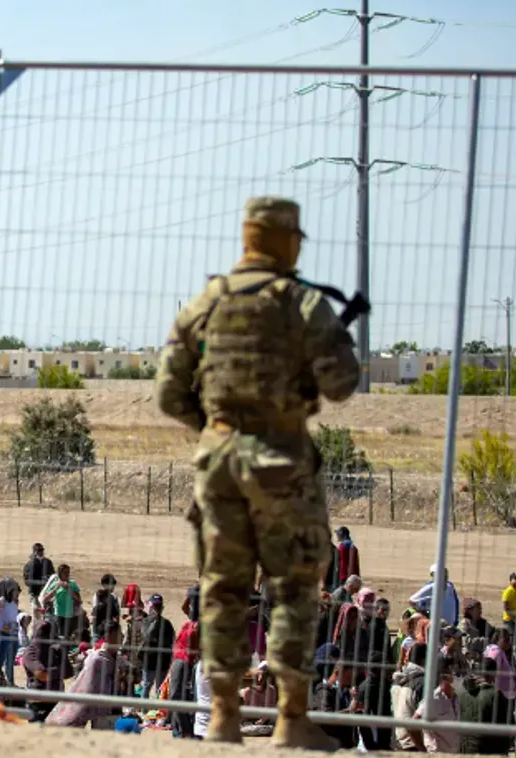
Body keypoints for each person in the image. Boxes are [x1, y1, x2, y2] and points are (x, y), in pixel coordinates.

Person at [155, 197, 360, 747]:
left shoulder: (207, 301)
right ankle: (292, 720)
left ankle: (221, 715)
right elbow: (342, 381)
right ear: (287, 241)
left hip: (217, 463)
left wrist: (215, 428)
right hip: (280, 460)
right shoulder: (300, 302)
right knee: (293, 586)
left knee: (222, 587)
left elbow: (169, 393)